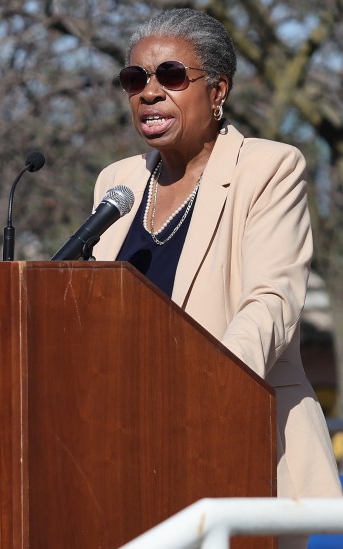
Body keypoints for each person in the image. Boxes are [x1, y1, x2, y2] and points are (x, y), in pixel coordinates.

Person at [91, 7, 341, 547]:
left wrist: (200, 392)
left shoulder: (269, 167)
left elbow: (271, 301)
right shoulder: (118, 183)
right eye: (135, 79)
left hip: (238, 444)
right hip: (129, 456)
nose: (149, 92)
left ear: (218, 90)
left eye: (171, 76)